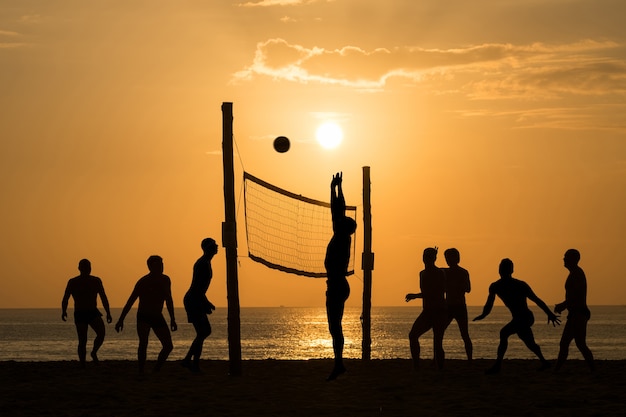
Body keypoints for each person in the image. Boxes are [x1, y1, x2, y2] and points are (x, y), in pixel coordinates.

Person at [474, 258, 560, 374]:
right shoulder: (495, 286)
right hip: (518, 318)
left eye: (504, 269)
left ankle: (497, 365)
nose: (502, 271)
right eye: (502, 268)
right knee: (529, 342)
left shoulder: (519, 285)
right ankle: (544, 362)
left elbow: (536, 300)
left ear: (510, 270)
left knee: (504, 333)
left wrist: (549, 313)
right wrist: (483, 315)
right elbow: (489, 304)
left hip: (526, 317)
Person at [115, 255, 177, 373]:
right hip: (144, 316)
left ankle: (156, 369)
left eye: (161, 264)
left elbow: (169, 300)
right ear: (150, 267)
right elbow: (131, 300)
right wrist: (121, 319)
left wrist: (172, 319)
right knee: (143, 343)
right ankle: (141, 371)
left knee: (168, 346)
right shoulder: (143, 282)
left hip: (157, 316)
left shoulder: (165, 280)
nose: (161, 267)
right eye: (157, 265)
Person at [324, 172, 357, 381]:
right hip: (338, 285)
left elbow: (337, 212)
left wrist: (334, 189)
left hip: (337, 286)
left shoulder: (342, 237)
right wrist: (336, 188)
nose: (337, 220)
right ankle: (339, 364)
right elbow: (338, 212)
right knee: (334, 327)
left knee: (335, 326)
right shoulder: (342, 235)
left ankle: (339, 365)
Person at [61, 259, 113, 367]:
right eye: (85, 267)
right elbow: (66, 297)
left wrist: (108, 312)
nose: (87, 269)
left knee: (101, 333)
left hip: (92, 312)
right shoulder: (73, 282)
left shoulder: (96, 280)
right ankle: (83, 363)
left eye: (88, 267)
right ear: (79, 268)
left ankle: (93, 352)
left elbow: (103, 297)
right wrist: (64, 311)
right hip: (80, 313)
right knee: (82, 339)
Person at [405, 247, 447, 370]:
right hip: (427, 311)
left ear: (434, 258)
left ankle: (440, 369)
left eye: (429, 256)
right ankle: (416, 365)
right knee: (413, 335)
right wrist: (417, 296)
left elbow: (437, 292)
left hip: (439, 311)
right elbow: (427, 292)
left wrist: (415, 296)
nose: (426, 259)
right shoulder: (422, 273)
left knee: (437, 341)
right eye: (425, 256)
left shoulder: (439, 273)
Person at [181, 238, 218, 373]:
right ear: (207, 248)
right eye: (214, 245)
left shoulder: (206, 262)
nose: (217, 246)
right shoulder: (202, 263)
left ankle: (192, 363)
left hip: (196, 299)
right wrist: (205, 302)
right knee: (204, 331)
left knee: (203, 332)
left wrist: (206, 302)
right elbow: (197, 287)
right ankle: (189, 361)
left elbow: (200, 288)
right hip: (193, 299)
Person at [554, 249, 595, 372]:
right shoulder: (574, 273)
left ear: (573, 259)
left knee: (572, 343)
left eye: (566, 257)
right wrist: (564, 305)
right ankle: (592, 370)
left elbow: (575, 296)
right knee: (575, 343)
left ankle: (557, 370)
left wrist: (562, 305)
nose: (564, 259)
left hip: (578, 314)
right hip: (576, 314)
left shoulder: (577, 274)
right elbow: (572, 296)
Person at [443, 248, 473, 361]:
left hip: (459, 306)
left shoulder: (462, 272)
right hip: (449, 306)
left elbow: (468, 289)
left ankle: (470, 359)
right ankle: (436, 359)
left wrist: (455, 285)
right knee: (439, 333)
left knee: (464, 334)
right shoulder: (445, 272)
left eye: (449, 258)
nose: (448, 260)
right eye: (446, 258)